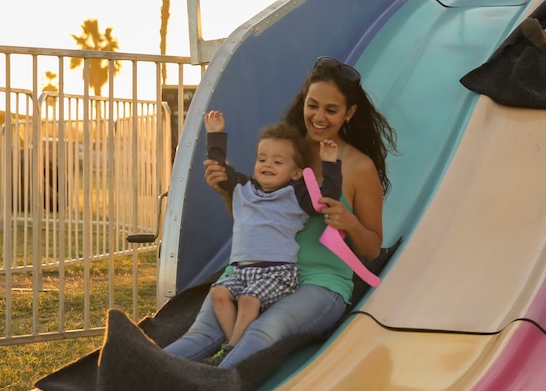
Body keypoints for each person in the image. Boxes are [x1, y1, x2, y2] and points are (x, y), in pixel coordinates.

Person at [163, 55, 397, 368]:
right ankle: (137, 377)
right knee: (201, 335)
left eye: (331, 109)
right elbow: (257, 222)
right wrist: (225, 192)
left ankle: (215, 384)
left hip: (320, 282)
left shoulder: (358, 167)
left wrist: (350, 223)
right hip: (256, 269)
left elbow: (370, 249)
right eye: (312, 105)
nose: (319, 117)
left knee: (261, 331)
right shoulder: (283, 149)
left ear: (349, 113)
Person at [201, 109, 342, 364]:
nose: (267, 165)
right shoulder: (243, 187)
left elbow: (327, 199)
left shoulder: (296, 196)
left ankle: (232, 348)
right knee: (218, 294)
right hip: (242, 271)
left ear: (297, 172)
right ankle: (233, 343)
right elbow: (219, 172)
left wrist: (331, 163)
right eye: (262, 159)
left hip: (277, 273)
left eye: (278, 162)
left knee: (248, 300)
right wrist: (215, 136)